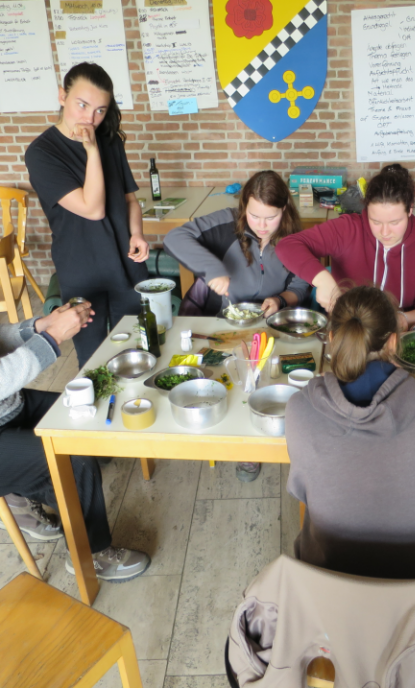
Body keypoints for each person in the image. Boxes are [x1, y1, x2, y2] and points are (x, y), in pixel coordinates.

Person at [284, 286, 415, 580]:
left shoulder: (299, 409)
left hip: (329, 583)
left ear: (332, 338)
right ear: (394, 342)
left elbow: (302, 490)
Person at [0, 302, 150, 581]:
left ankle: (20, 495)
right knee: (72, 459)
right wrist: (52, 337)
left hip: (8, 405)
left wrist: (38, 327)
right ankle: (90, 554)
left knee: (82, 415)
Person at [25, 62, 149, 368]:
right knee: (92, 361)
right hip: (81, 270)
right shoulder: (41, 153)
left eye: (100, 110)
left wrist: (136, 233)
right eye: (82, 105)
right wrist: (92, 152)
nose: (90, 118)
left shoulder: (110, 140)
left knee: (137, 352)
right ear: (62, 96)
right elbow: (93, 209)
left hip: (126, 263)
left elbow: (130, 200)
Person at [275, 164, 415, 329]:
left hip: (397, 334)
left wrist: (402, 318)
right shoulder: (348, 229)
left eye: (394, 222)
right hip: (347, 331)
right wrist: (322, 280)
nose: (385, 232)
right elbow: (287, 246)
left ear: (410, 210)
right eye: (376, 221)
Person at [163, 170, 311, 318]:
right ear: (245, 206)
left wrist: (280, 300)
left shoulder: (295, 239)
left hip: (268, 322)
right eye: (254, 216)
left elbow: (299, 286)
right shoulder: (226, 221)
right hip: (217, 320)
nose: (262, 226)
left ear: (284, 209)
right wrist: (212, 268)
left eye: (271, 218)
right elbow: (174, 238)